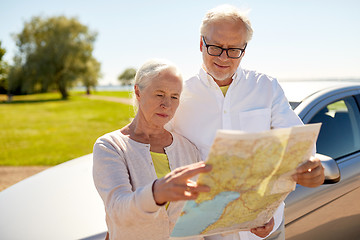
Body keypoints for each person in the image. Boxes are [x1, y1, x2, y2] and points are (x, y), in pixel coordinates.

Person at [169, 5, 325, 240]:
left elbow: (298, 148)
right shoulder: (178, 96)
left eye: (233, 50)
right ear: (201, 44)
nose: (223, 57)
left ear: (244, 49)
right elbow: (158, 158)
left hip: (265, 228)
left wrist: (310, 167)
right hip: (203, 233)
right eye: (215, 47)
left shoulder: (267, 88)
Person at [93, 59, 213, 240]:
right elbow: (118, 210)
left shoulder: (187, 148)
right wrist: (156, 193)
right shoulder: (110, 146)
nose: (167, 105)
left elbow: (204, 212)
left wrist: (255, 220)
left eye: (174, 97)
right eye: (159, 94)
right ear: (138, 92)